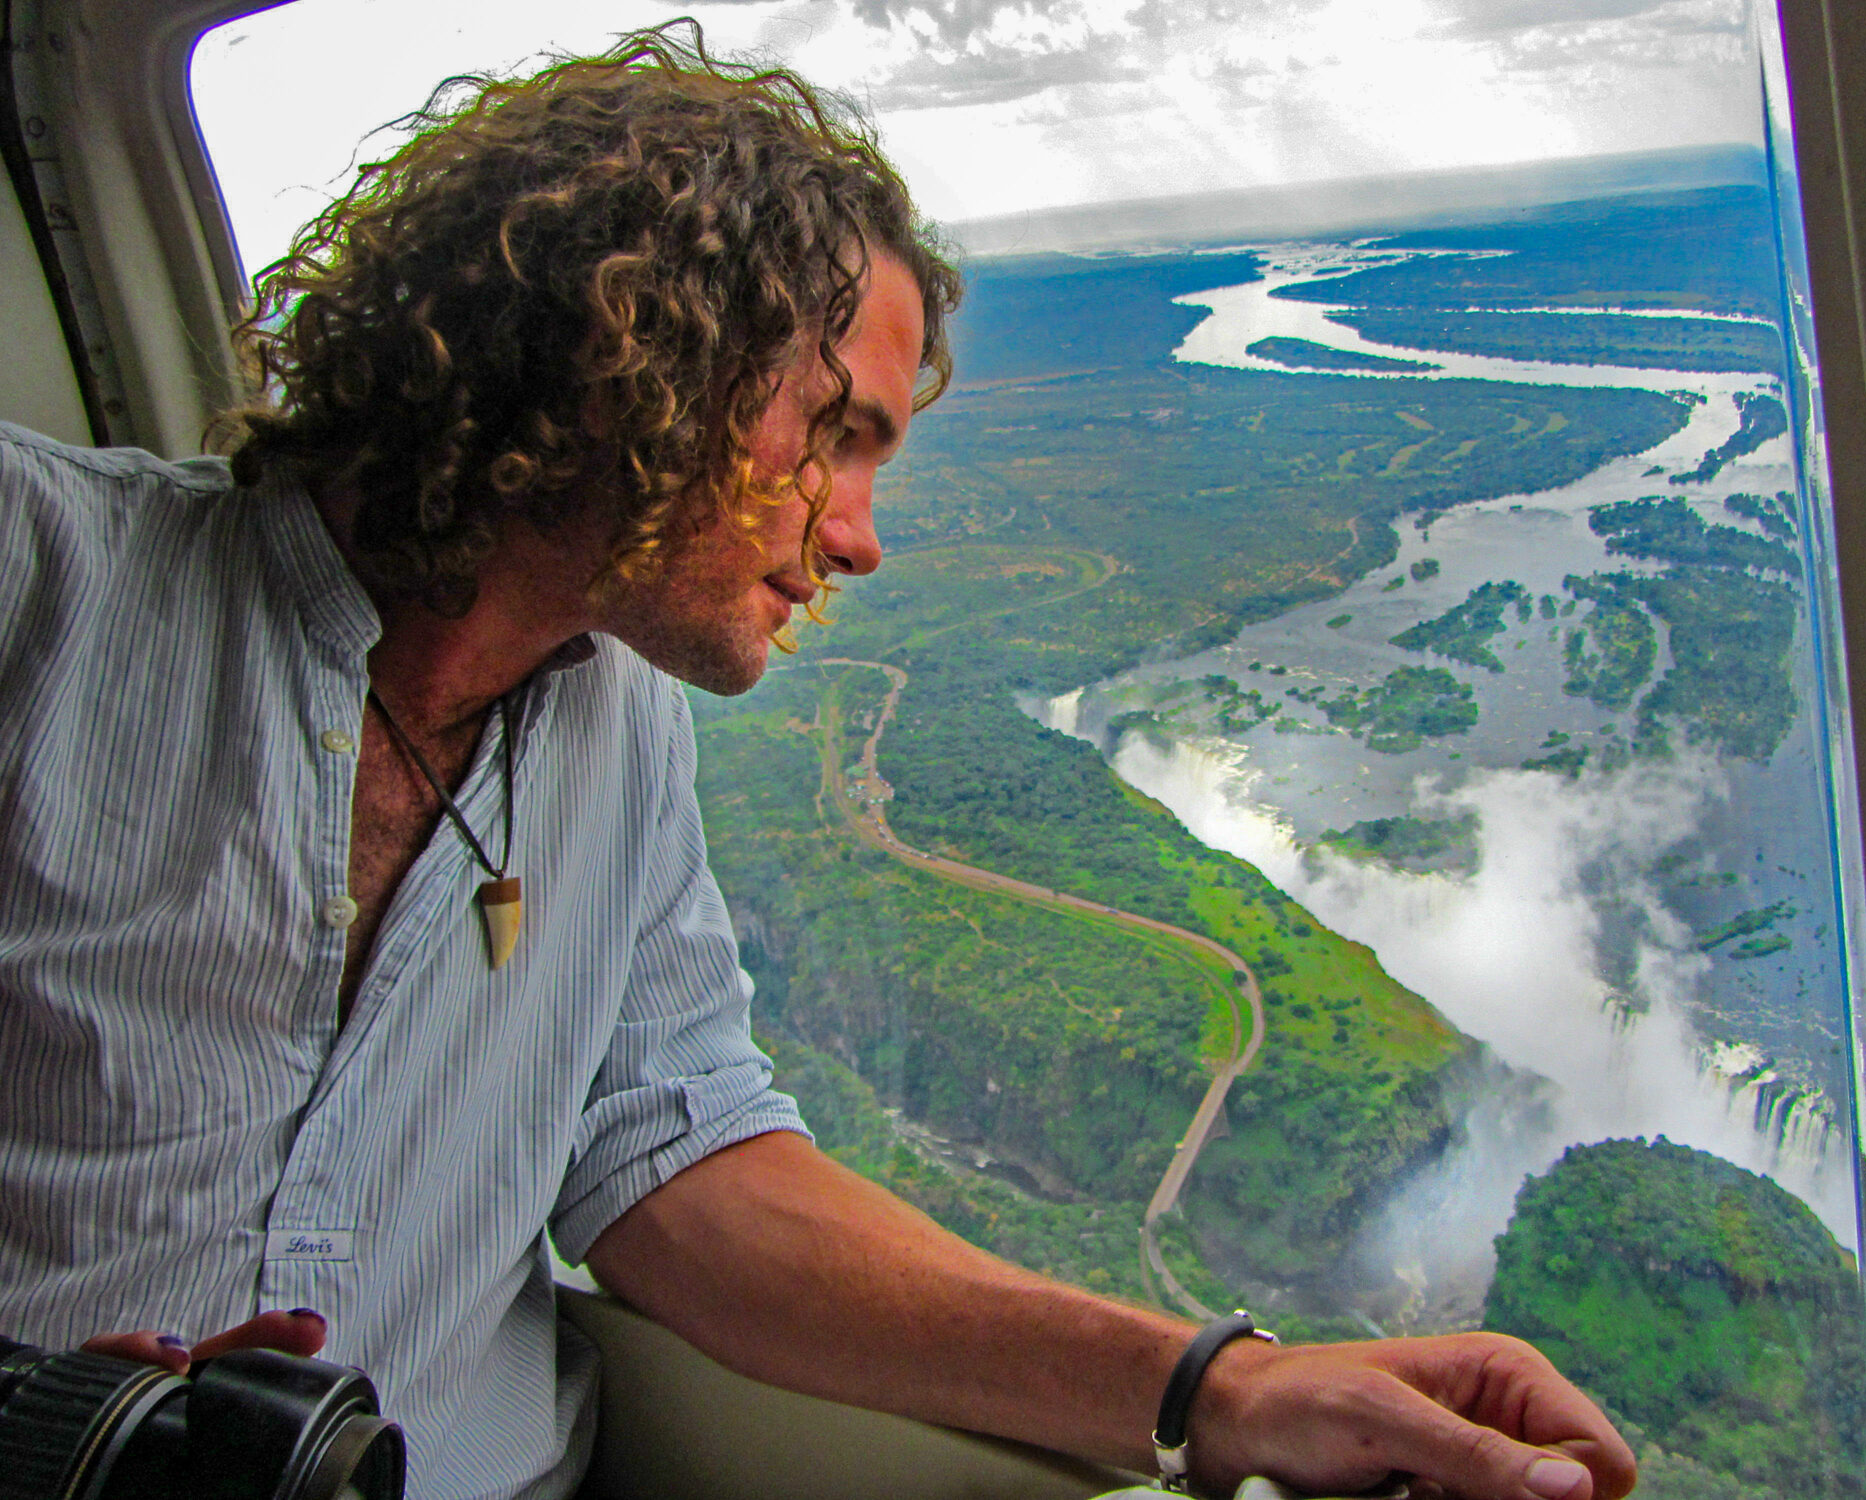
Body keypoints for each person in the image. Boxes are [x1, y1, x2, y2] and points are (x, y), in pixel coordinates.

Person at [0, 25, 1636, 1500]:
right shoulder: (40, 590)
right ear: (636, 345)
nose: (857, 538)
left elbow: (685, 1171)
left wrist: (1217, 1383)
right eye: (837, 436)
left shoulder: (613, 736)